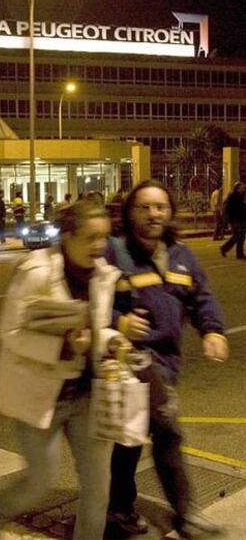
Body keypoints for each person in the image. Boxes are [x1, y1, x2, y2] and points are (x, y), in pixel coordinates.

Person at [0, 200, 129, 540]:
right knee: (40, 481)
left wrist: (110, 340)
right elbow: (9, 332)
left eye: (104, 237)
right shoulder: (36, 272)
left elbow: (93, 329)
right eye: (91, 237)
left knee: (98, 488)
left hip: (86, 395)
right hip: (41, 395)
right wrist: (63, 346)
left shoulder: (103, 276)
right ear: (67, 236)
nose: (99, 246)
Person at [105, 180, 229, 539]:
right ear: (129, 213)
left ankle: (119, 508)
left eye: (159, 206)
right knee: (167, 430)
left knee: (129, 439)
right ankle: (187, 513)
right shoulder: (115, 253)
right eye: (143, 207)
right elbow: (90, 301)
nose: (152, 213)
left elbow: (201, 296)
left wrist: (213, 331)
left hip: (168, 364)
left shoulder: (180, 255)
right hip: (131, 360)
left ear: (170, 211)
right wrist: (120, 322)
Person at [220, 181, 246, 259]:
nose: (243, 189)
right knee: (237, 236)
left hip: (241, 219)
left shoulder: (240, 196)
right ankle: (225, 248)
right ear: (237, 188)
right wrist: (228, 220)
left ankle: (239, 254)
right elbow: (229, 209)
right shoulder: (233, 197)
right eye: (242, 187)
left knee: (241, 237)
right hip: (236, 220)